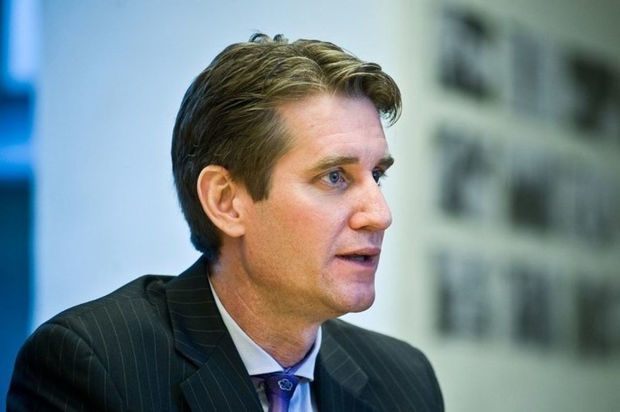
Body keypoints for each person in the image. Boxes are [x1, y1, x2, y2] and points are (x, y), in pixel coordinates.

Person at [8, 33, 443, 411]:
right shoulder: (94, 365)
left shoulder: (405, 380)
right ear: (226, 201)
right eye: (334, 176)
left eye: (377, 175)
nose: (380, 215)